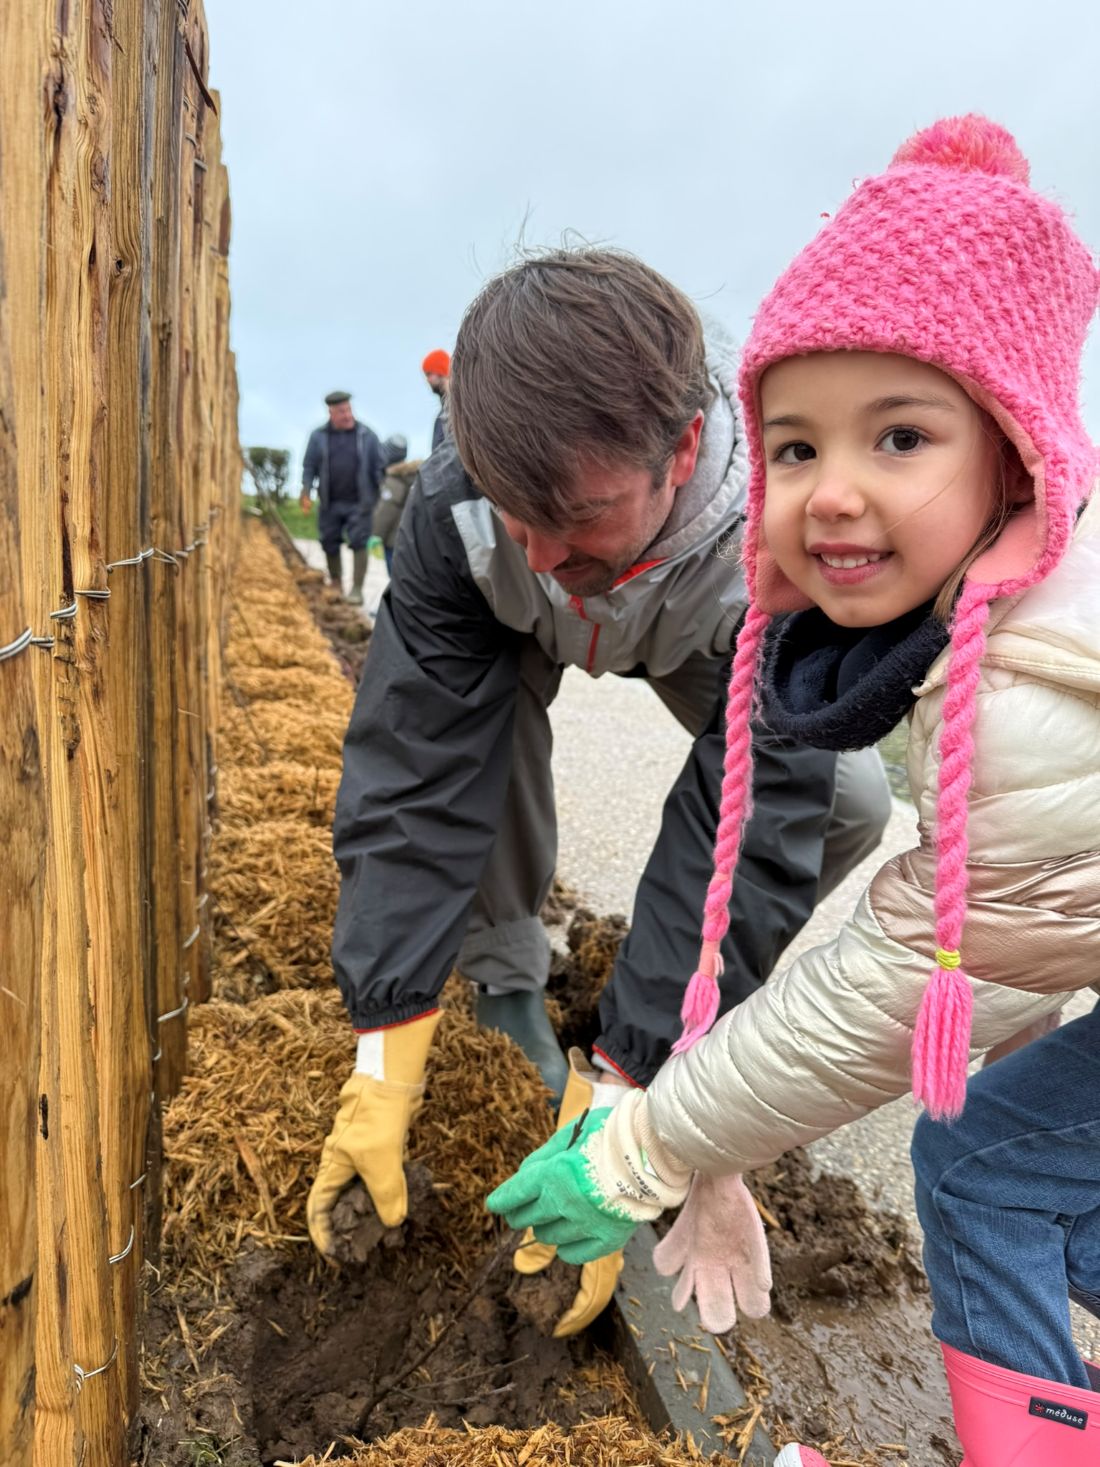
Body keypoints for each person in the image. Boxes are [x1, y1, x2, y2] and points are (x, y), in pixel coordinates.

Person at [488, 117, 1100, 1466]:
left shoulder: (1030, 682)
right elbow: (1045, 927)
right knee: (1012, 1155)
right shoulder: (1023, 591)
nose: (832, 494)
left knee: (985, 1164)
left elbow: (901, 983)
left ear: (1012, 444)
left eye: (898, 436)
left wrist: (634, 1151)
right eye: (799, 445)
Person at [308, 248, 891, 1338]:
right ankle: (507, 981)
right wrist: (383, 1043)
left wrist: (630, 1085)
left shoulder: (786, 533)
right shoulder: (456, 518)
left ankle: (690, 1027)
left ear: (679, 451)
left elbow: (753, 810)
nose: (538, 550)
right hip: (510, 635)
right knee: (478, 763)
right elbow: (419, 763)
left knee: (848, 799)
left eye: (573, 513)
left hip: (698, 625)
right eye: (510, 510)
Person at [300, 390, 384, 605]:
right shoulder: (318, 436)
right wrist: (306, 490)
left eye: (348, 410)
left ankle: (357, 589)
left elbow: (379, 468)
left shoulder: (367, 435)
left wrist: (380, 497)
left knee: (359, 542)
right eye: (341, 412)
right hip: (331, 502)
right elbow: (309, 466)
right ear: (331, 413)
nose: (347, 416)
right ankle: (336, 583)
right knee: (329, 541)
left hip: (360, 502)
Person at [373, 434, 418, 576]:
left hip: (394, 540)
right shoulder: (412, 476)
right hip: (411, 539)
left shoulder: (395, 479)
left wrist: (375, 535)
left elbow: (387, 511)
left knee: (396, 579)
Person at [422, 348, 450, 450]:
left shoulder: (456, 409)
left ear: (440, 371)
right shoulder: (443, 413)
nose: (427, 380)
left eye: (429, 374)